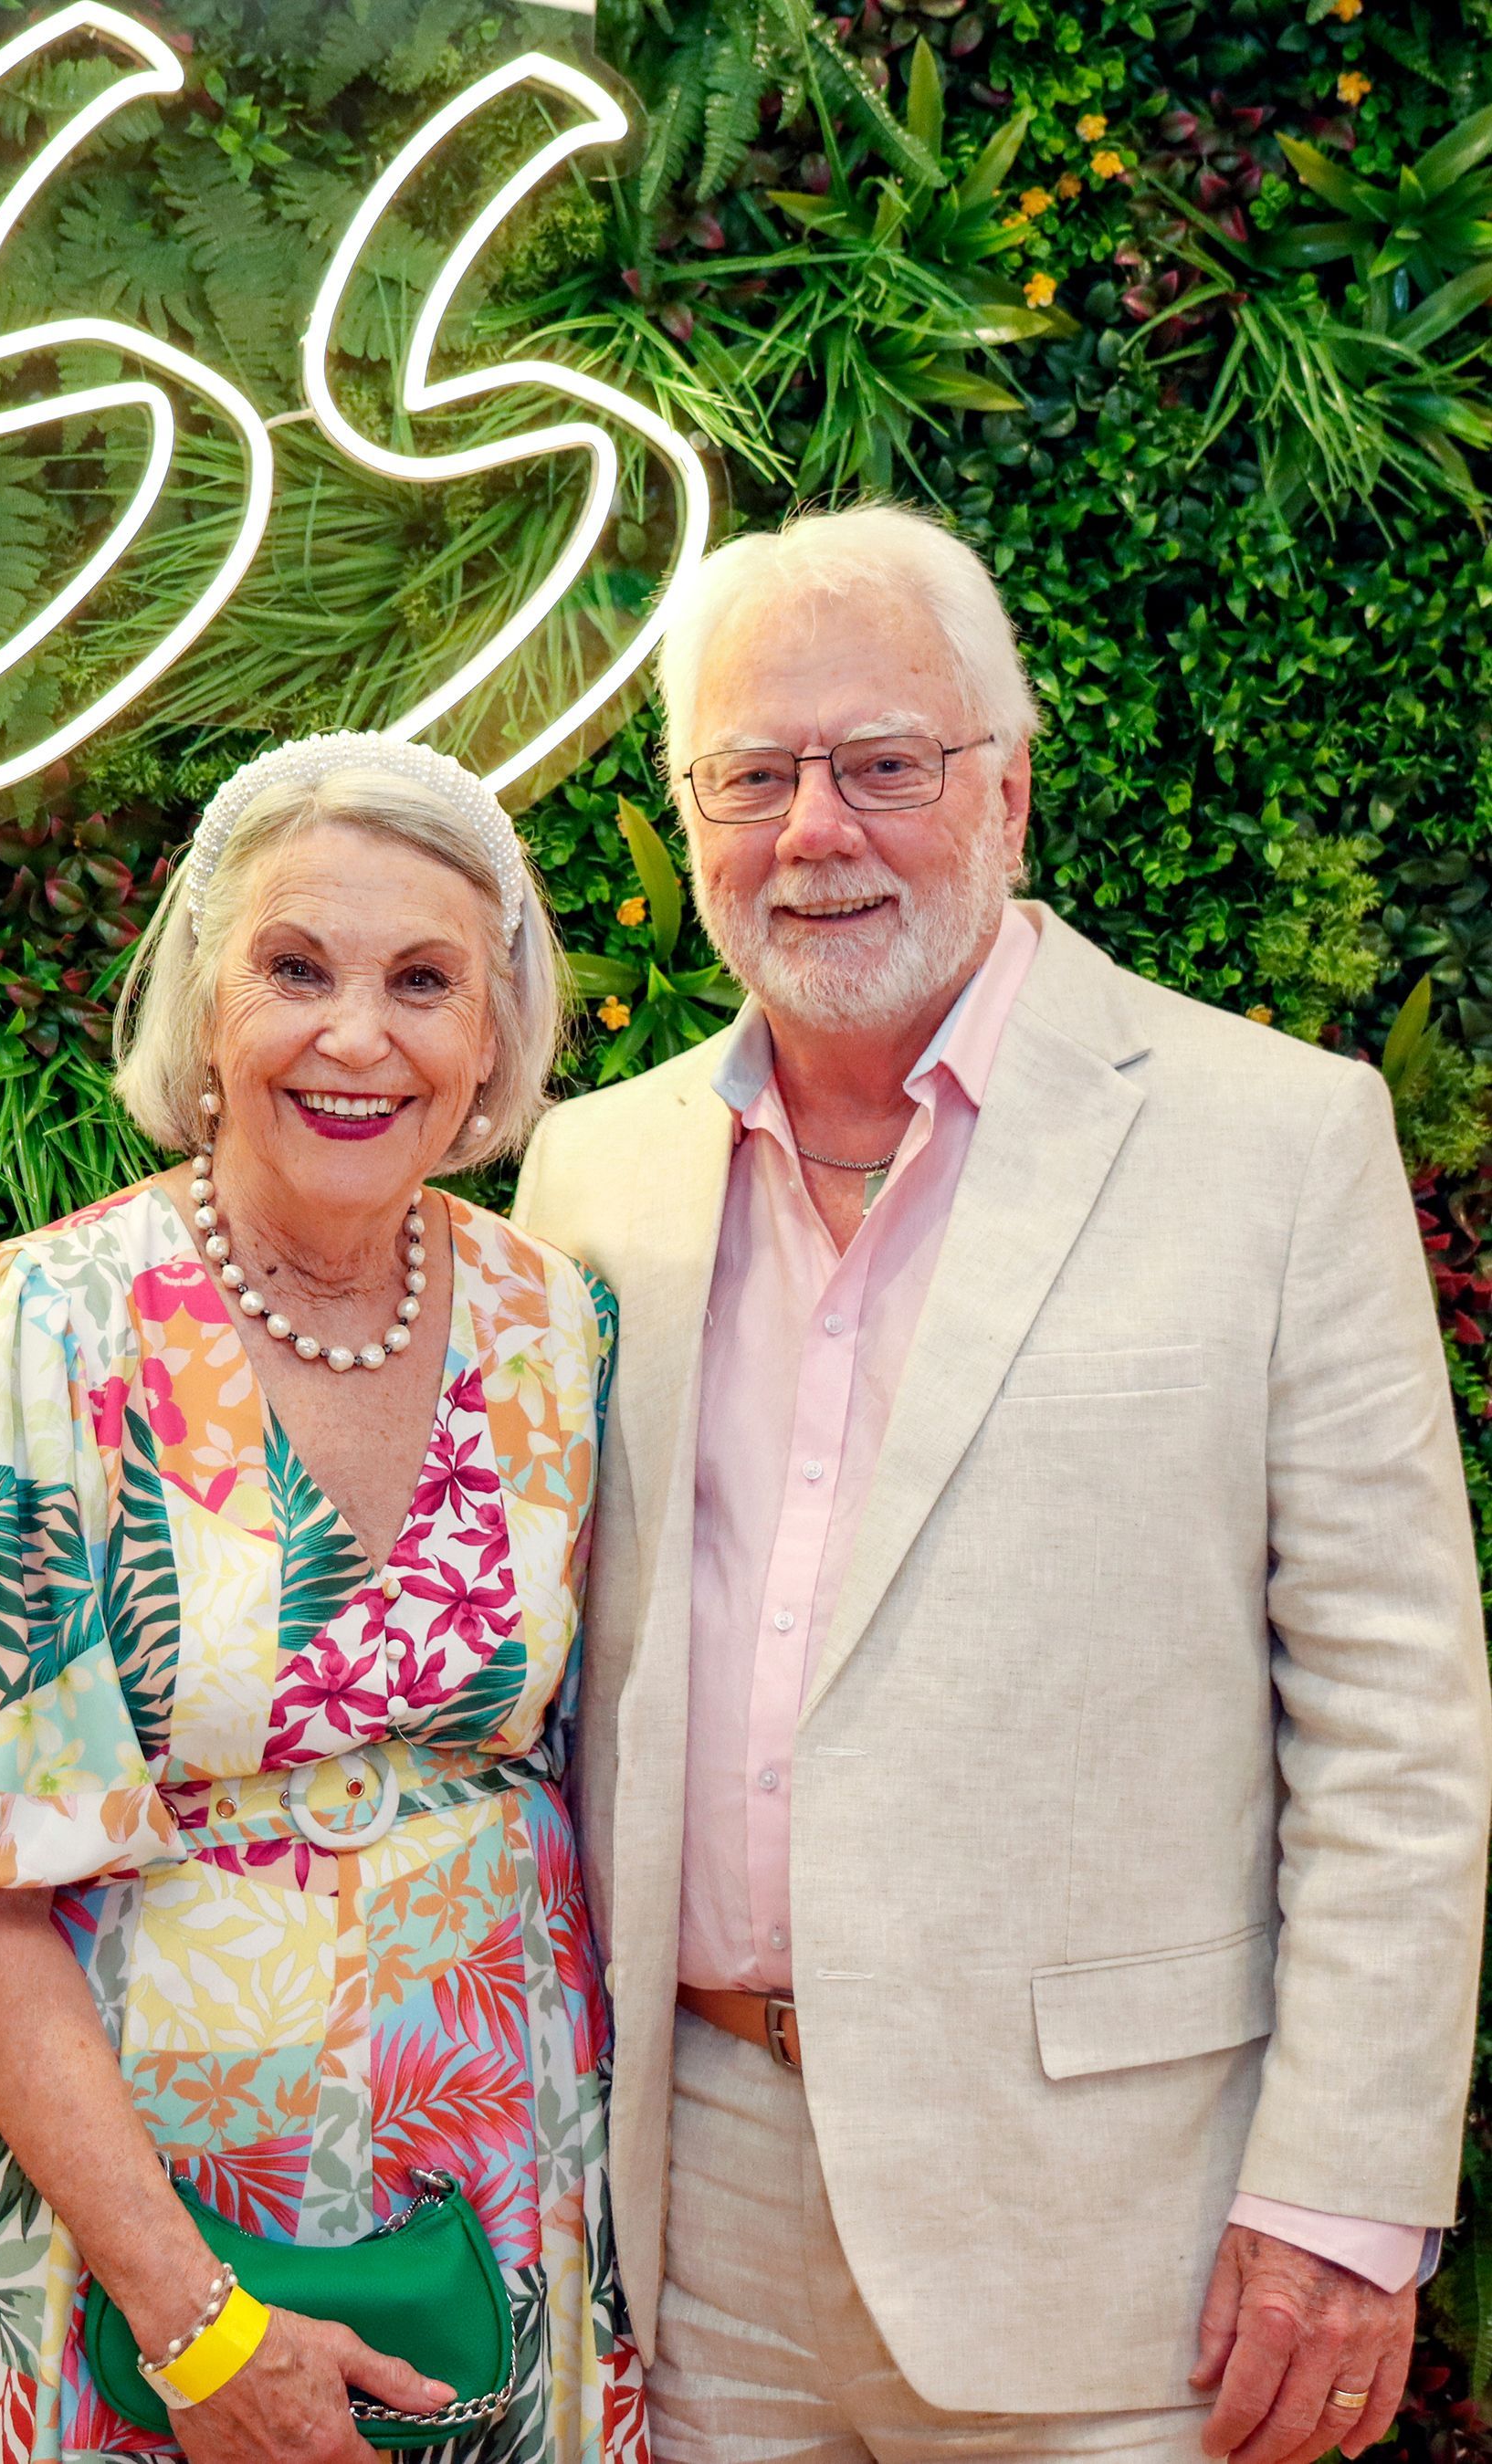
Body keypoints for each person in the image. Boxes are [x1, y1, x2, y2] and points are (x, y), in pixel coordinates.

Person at [512, 505, 1492, 2464]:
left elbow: (1397, 1716)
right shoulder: (590, 1180)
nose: (817, 832)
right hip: (692, 2221)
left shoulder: (1277, 1143)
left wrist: (1340, 2206)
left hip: (1129, 2248)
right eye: (756, 775)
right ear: (689, 808)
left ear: (1011, 790)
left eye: (884, 766)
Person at [0, 734, 647, 2464]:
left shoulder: (555, 1329)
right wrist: (198, 2330)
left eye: (424, 982)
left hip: (513, 2199)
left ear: (494, 1035)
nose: (358, 1037)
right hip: (141, 2266)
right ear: (206, 1002)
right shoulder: (28, 1340)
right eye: (297, 968)